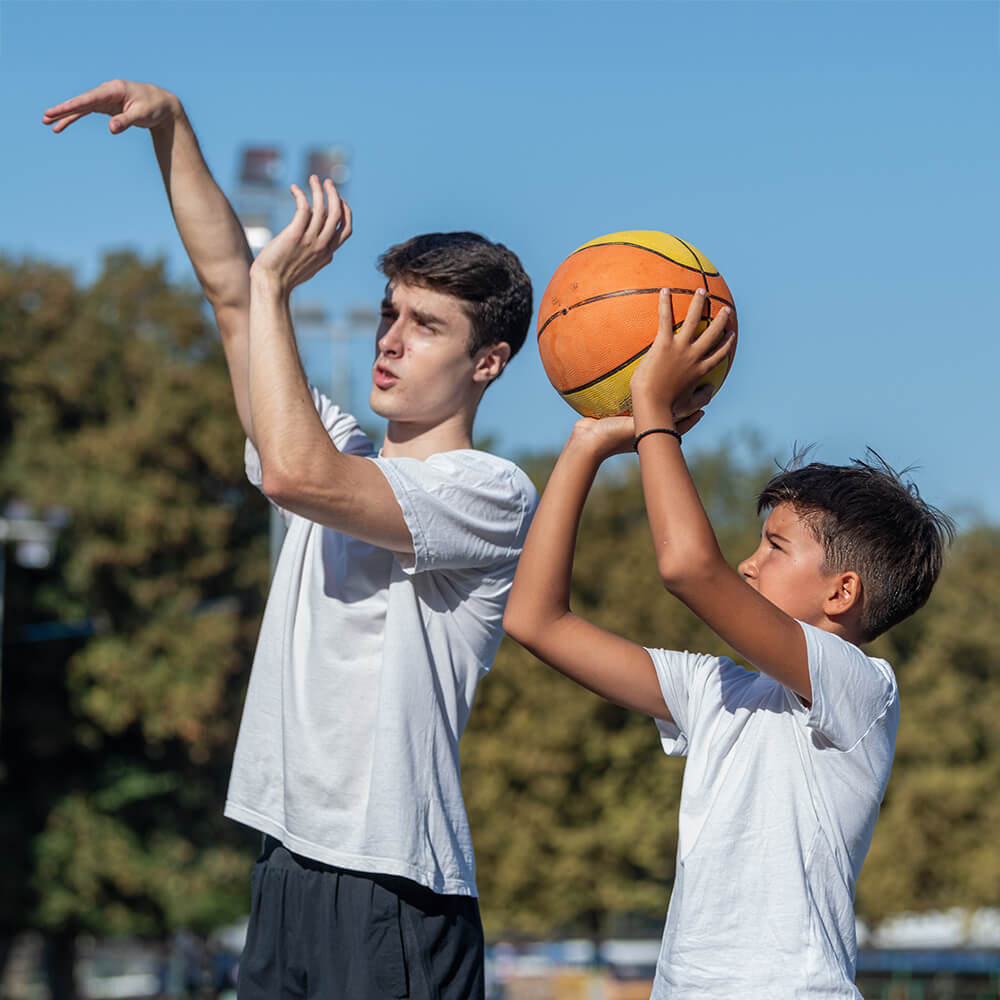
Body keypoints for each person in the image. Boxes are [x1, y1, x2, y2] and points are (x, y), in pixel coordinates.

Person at [44, 80, 538, 1000]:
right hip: (287, 864)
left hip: (393, 887)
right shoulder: (338, 447)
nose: (391, 339)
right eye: (389, 313)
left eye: (426, 325)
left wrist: (274, 284)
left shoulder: (488, 491)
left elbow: (294, 475)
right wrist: (172, 128)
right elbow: (235, 301)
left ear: (487, 362)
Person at [503, 288, 953, 998]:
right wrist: (585, 447)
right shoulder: (716, 691)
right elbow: (535, 620)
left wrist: (654, 414)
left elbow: (688, 567)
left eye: (774, 546)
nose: (748, 562)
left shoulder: (861, 687)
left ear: (842, 593)